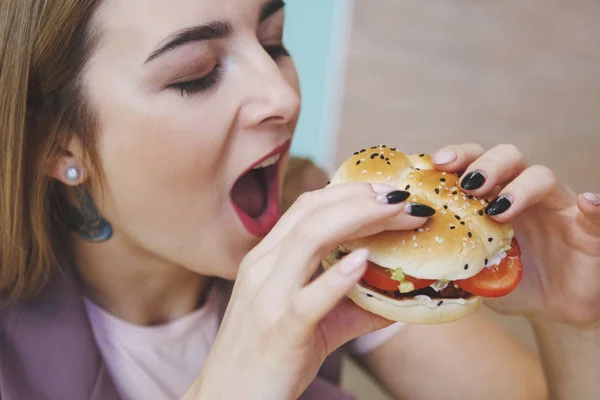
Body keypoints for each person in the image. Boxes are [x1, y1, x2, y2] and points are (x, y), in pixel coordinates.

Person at [0, 0, 598, 399]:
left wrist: (575, 320)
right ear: (53, 144)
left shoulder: (329, 230)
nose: (281, 95)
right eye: (198, 72)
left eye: (273, 41)